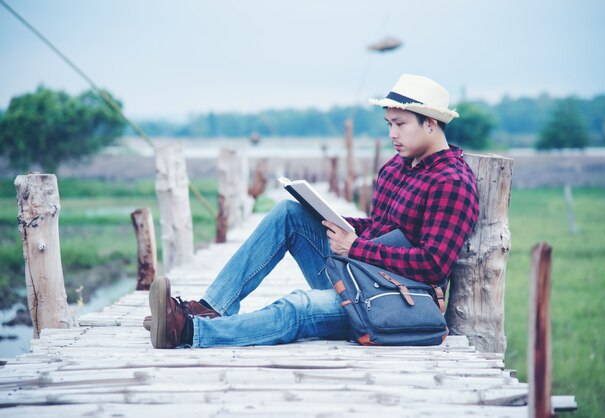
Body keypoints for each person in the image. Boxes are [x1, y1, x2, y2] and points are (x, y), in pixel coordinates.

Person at [148, 74, 480, 349]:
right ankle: (211, 309)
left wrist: (355, 247)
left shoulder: (452, 182)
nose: (392, 134)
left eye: (400, 124)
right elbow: (380, 227)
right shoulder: (396, 168)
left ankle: (188, 331)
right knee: (289, 213)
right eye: (388, 124)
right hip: (358, 274)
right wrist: (331, 220)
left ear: (431, 124)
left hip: (394, 303)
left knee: (298, 306)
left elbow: (433, 266)